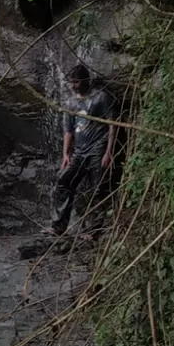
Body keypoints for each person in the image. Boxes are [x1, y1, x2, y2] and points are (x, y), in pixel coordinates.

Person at [51, 63, 118, 236]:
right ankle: (58, 227)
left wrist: (108, 151)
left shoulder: (101, 98)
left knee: (97, 189)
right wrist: (65, 154)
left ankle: (94, 231)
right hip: (79, 152)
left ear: (86, 80)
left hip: (98, 149)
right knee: (64, 182)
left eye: (77, 82)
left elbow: (112, 125)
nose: (74, 86)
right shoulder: (70, 102)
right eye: (71, 82)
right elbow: (68, 130)